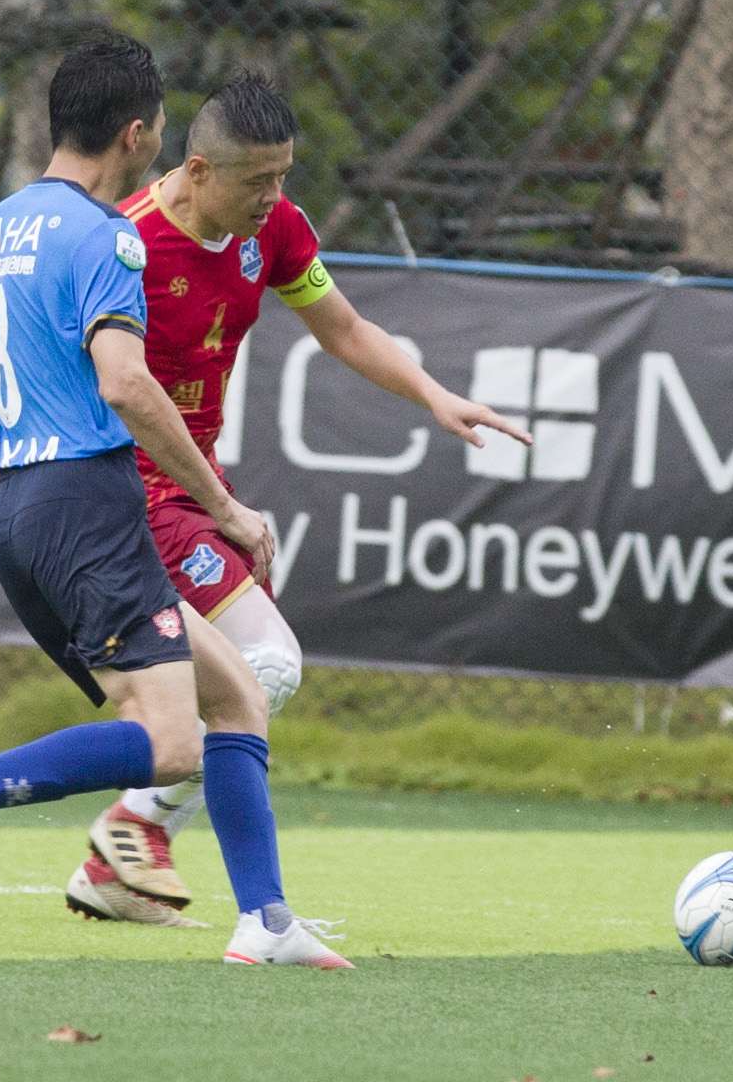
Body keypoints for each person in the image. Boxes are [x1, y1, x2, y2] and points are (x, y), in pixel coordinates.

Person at [0, 34, 350, 968]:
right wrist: (224, 508)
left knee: (239, 695)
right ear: (137, 135)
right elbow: (128, 386)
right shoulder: (107, 237)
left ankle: (265, 922)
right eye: (160, 127)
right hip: (87, 505)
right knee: (169, 742)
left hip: (26, 515)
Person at [60, 72, 531, 923]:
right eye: (257, 180)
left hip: (197, 488)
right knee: (264, 669)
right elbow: (71, 381)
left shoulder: (271, 228)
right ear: (197, 170)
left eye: (283, 176)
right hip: (128, 493)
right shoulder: (125, 244)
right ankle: (127, 828)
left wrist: (434, 396)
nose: (274, 197)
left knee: (241, 684)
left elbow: (342, 328)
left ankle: (119, 854)